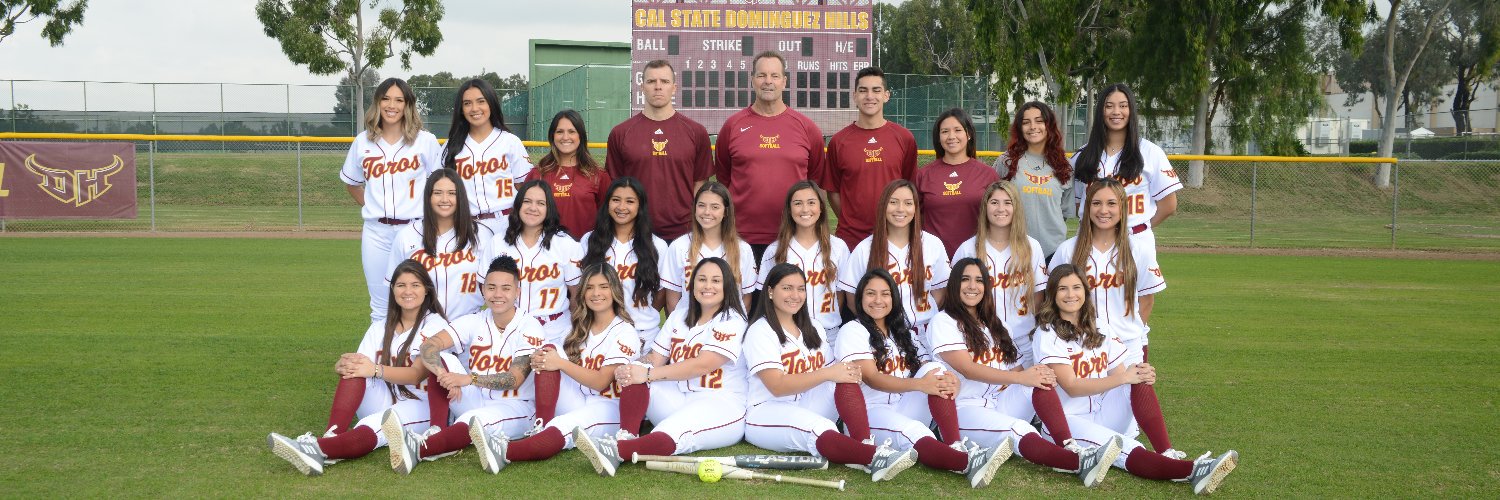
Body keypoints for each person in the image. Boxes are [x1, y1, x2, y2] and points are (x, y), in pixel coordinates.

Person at [1034, 264, 1238, 494]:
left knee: (1138, 376)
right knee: (1126, 448)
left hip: (1102, 411)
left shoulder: (1100, 326)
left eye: (1076, 287)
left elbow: (1121, 375)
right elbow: (1072, 387)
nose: (1071, 294)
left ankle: (1166, 452)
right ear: (1052, 294)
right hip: (1069, 421)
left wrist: (1138, 374)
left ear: (1086, 291)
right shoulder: (1047, 333)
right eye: (1062, 289)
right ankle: (1192, 470)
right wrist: (1123, 378)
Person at [926, 258, 1124, 487]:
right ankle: (1076, 462)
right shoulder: (944, 321)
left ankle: (1067, 443)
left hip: (999, 401)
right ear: (953, 285)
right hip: (965, 408)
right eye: (965, 279)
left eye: (979, 280)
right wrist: (1020, 378)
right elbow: (967, 369)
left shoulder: (994, 323)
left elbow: (1019, 370)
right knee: (1019, 429)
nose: (972, 286)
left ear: (986, 287)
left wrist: (1031, 377)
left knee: (1039, 377)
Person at [267, 259, 452, 476]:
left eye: (415, 285)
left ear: (427, 290)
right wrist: (344, 365)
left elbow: (416, 374)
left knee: (376, 424)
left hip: (421, 404)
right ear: (392, 290)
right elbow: (361, 365)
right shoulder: (381, 326)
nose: (407, 291)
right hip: (386, 395)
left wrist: (375, 369)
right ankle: (332, 435)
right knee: (354, 367)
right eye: (401, 285)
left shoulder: (436, 325)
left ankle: (318, 450)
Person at [743, 263, 921, 482]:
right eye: (787, 288)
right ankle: (872, 456)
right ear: (770, 291)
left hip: (807, 403)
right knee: (821, 426)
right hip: (768, 412)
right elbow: (777, 386)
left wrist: (835, 373)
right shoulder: (760, 330)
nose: (795, 295)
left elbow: (837, 374)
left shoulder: (813, 327)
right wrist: (827, 373)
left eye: (800, 289)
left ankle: (862, 442)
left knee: (846, 374)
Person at [573, 258, 749, 477]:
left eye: (716, 281)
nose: (707, 286)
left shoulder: (732, 319)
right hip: (678, 397)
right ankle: (626, 436)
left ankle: (618, 451)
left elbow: (704, 364)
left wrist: (648, 373)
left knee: (674, 429)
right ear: (692, 284)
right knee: (635, 369)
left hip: (719, 403)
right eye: (702, 279)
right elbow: (655, 358)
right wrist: (631, 368)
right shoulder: (680, 316)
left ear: (727, 286)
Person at [468, 263, 642, 474]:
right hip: (577, 398)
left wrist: (561, 363)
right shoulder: (576, 327)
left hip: (608, 405)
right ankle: (542, 422)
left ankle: (504, 452)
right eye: (589, 287)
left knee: (564, 426)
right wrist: (546, 356)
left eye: (603, 287)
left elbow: (600, 382)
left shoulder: (625, 332)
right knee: (547, 351)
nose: (596, 293)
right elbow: (550, 357)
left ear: (614, 291)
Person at [1048, 179, 1177, 455]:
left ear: (1122, 208)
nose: (1103, 210)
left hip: (1126, 343)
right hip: (1080, 344)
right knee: (1084, 413)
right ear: (1086, 208)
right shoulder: (1068, 250)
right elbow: (1053, 299)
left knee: (1132, 401)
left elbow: (1147, 298)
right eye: (1096, 203)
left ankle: (1165, 452)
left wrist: (1131, 333)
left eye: (1111, 203)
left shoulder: (1138, 249)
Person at [380, 256, 542, 474]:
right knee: (443, 358)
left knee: (473, 420)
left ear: (517, 292)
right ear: (483, 290)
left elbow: (515, 379)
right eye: (491, 288)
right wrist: (442, 374)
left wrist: (469, 379)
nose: (498, 294)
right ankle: (437, 429)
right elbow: (429, 346)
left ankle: (418, 449)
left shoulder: (530, 325)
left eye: (505, 288)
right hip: (475, 397)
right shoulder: (474, 320)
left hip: (516, 405)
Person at [1070, 84, 1181, 321]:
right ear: (1100, 111)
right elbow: (1080, 205)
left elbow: (1169, 205)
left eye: (1123, 105)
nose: (1116, 112)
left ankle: (1134, 350)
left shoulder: (1149, 152)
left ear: (1131, 111)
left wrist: (1138, 227)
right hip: (1089, 239)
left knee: (1135, 305)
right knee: (1089, 302)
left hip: (1134, 237)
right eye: (1109, 106)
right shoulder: (1083, 155)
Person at [339, 77, 442, 322]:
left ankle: (416, 356)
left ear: (407, 105)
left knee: (421, 298)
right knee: (380, 304)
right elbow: (351, 183)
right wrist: (374, 206)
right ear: (377, 103)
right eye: (386, 98)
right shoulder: (363, 141)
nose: (391, 105)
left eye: (399, 99)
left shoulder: (425, 141)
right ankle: (381, 357)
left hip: (415, 229)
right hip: (376, 232)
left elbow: (440, 186)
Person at [715, 51, 827, 259]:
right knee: (743, 293)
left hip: (793, 236)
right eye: (761, 75)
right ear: (752, 80)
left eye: (774, 76)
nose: (768, 82)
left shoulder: (806, 128)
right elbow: (724, 178)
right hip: (740, 238)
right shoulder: (733, 126)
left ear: (784, 81)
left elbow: (815, 182)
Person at [605, 59, 713, 241]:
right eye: (651, 81)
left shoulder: (696, 132)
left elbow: (700, 185)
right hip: (635, 231)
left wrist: (697, 224)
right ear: (642, 87)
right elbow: (615, 185)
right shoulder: (621, 133)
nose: (658, 87)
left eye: (664, 81)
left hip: (684, 232)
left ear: (674, 87)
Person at [837, 180, 950, 344]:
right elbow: (853, 298)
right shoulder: (865, 248)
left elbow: (939, 293)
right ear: (883, 205)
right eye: (893, 202)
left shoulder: (933, 244)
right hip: (883, 336)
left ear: (916, 208)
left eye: (908, 203)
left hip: (927, 334)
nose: (900, 209)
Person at [953, 181, 1047, 366]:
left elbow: (1038, 297)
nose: (1000, 208)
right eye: (994, 202)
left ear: (1016, 208)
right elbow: (956, 299)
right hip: (982, 341)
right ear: (985, 207)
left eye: (1007, 202)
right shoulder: (968, 248)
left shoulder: (1032, 247)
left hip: (1024, 339)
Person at [825, 66, 918, 248]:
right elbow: (833, 191)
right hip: (851, 239)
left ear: (886, 95)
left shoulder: (904, 138)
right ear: (854, 96)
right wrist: (851, 220)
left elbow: (910, 186)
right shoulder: (839, 141)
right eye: (863, 90)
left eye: (876, 90)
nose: (869, 96)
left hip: (893, 236)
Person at [580, 177, 674, 350]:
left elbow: (661, 293)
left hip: (642, 332)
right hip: (598, 332)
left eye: (630, 201)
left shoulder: (657, 245)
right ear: (607, 204)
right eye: (616, 200)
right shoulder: (589, 241)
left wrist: (646, 313)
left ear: (640, 206)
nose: (622, 207)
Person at [488, 178, 584, 345]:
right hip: (508, 328)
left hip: (555, 329)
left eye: (540, 203)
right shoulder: (498, 242)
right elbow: (486, 288)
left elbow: (576, 295)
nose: (533, 208)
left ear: (549, 209)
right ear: (518, 206)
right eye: (527, 202)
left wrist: (576, 332)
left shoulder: (565, 244)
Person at [387, 169, 491, 319]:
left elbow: (496, 287)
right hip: (421, 325)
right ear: (428, 197)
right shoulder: (407, 235)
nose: (444, 199)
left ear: (460, 197)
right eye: (437, 193)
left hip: (469, 324)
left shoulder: (481, 235)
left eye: (451, 193)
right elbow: (394, 288)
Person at [758, 180, 849, 341]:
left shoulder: (839, 247)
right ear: (789, 209)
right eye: (798, 203)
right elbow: (766, 296)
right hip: (787, 334)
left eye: (811, 202)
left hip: (830, 334)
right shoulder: (775, 250)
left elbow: (841, 294)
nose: (805, 209)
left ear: (821, 207)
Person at [443, 78, 533, 237]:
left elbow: (525, 189)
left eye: (481, 101)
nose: (474, 108)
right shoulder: (450, 147)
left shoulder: (510, 142)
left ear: (491, 104)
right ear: (461, 109)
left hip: (506, 221)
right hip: (466, 225)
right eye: (467, 103)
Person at [915, 108, 1000, 257]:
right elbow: (914, 219)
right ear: (938, 137)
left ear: (968, 134)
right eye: (945, 131)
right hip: (933, 259)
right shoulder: (924, 175)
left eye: (957, 130)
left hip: (976, 257)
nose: (951, 136)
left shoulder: (988, 174)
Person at [995, 102, 1074, 258]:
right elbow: (992, 203)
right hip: (1014, 250)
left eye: (1039, 121)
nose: (1033, 126)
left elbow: (1064, 212)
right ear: (1019, 128)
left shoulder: (1065, 165)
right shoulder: (1006, 162)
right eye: (1026, 122)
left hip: (1054, 251)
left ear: (1049, 125)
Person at [663, 182, 756, 312]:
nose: (707, 212)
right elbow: (672, 300)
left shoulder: (743, 249)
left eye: (715, 207)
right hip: (689, 326)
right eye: (701, 205)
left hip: (729, 327)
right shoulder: (679, 246)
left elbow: (746, 298)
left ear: (726, 212)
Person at [528, 109, 611, 238]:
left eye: (572, 132)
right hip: (545, 252)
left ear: (581, 136)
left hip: (584, 251)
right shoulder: (538, 174)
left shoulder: (597, 175)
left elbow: (607, 216)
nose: (565, 137)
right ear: (552, 136)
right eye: (560, 132)